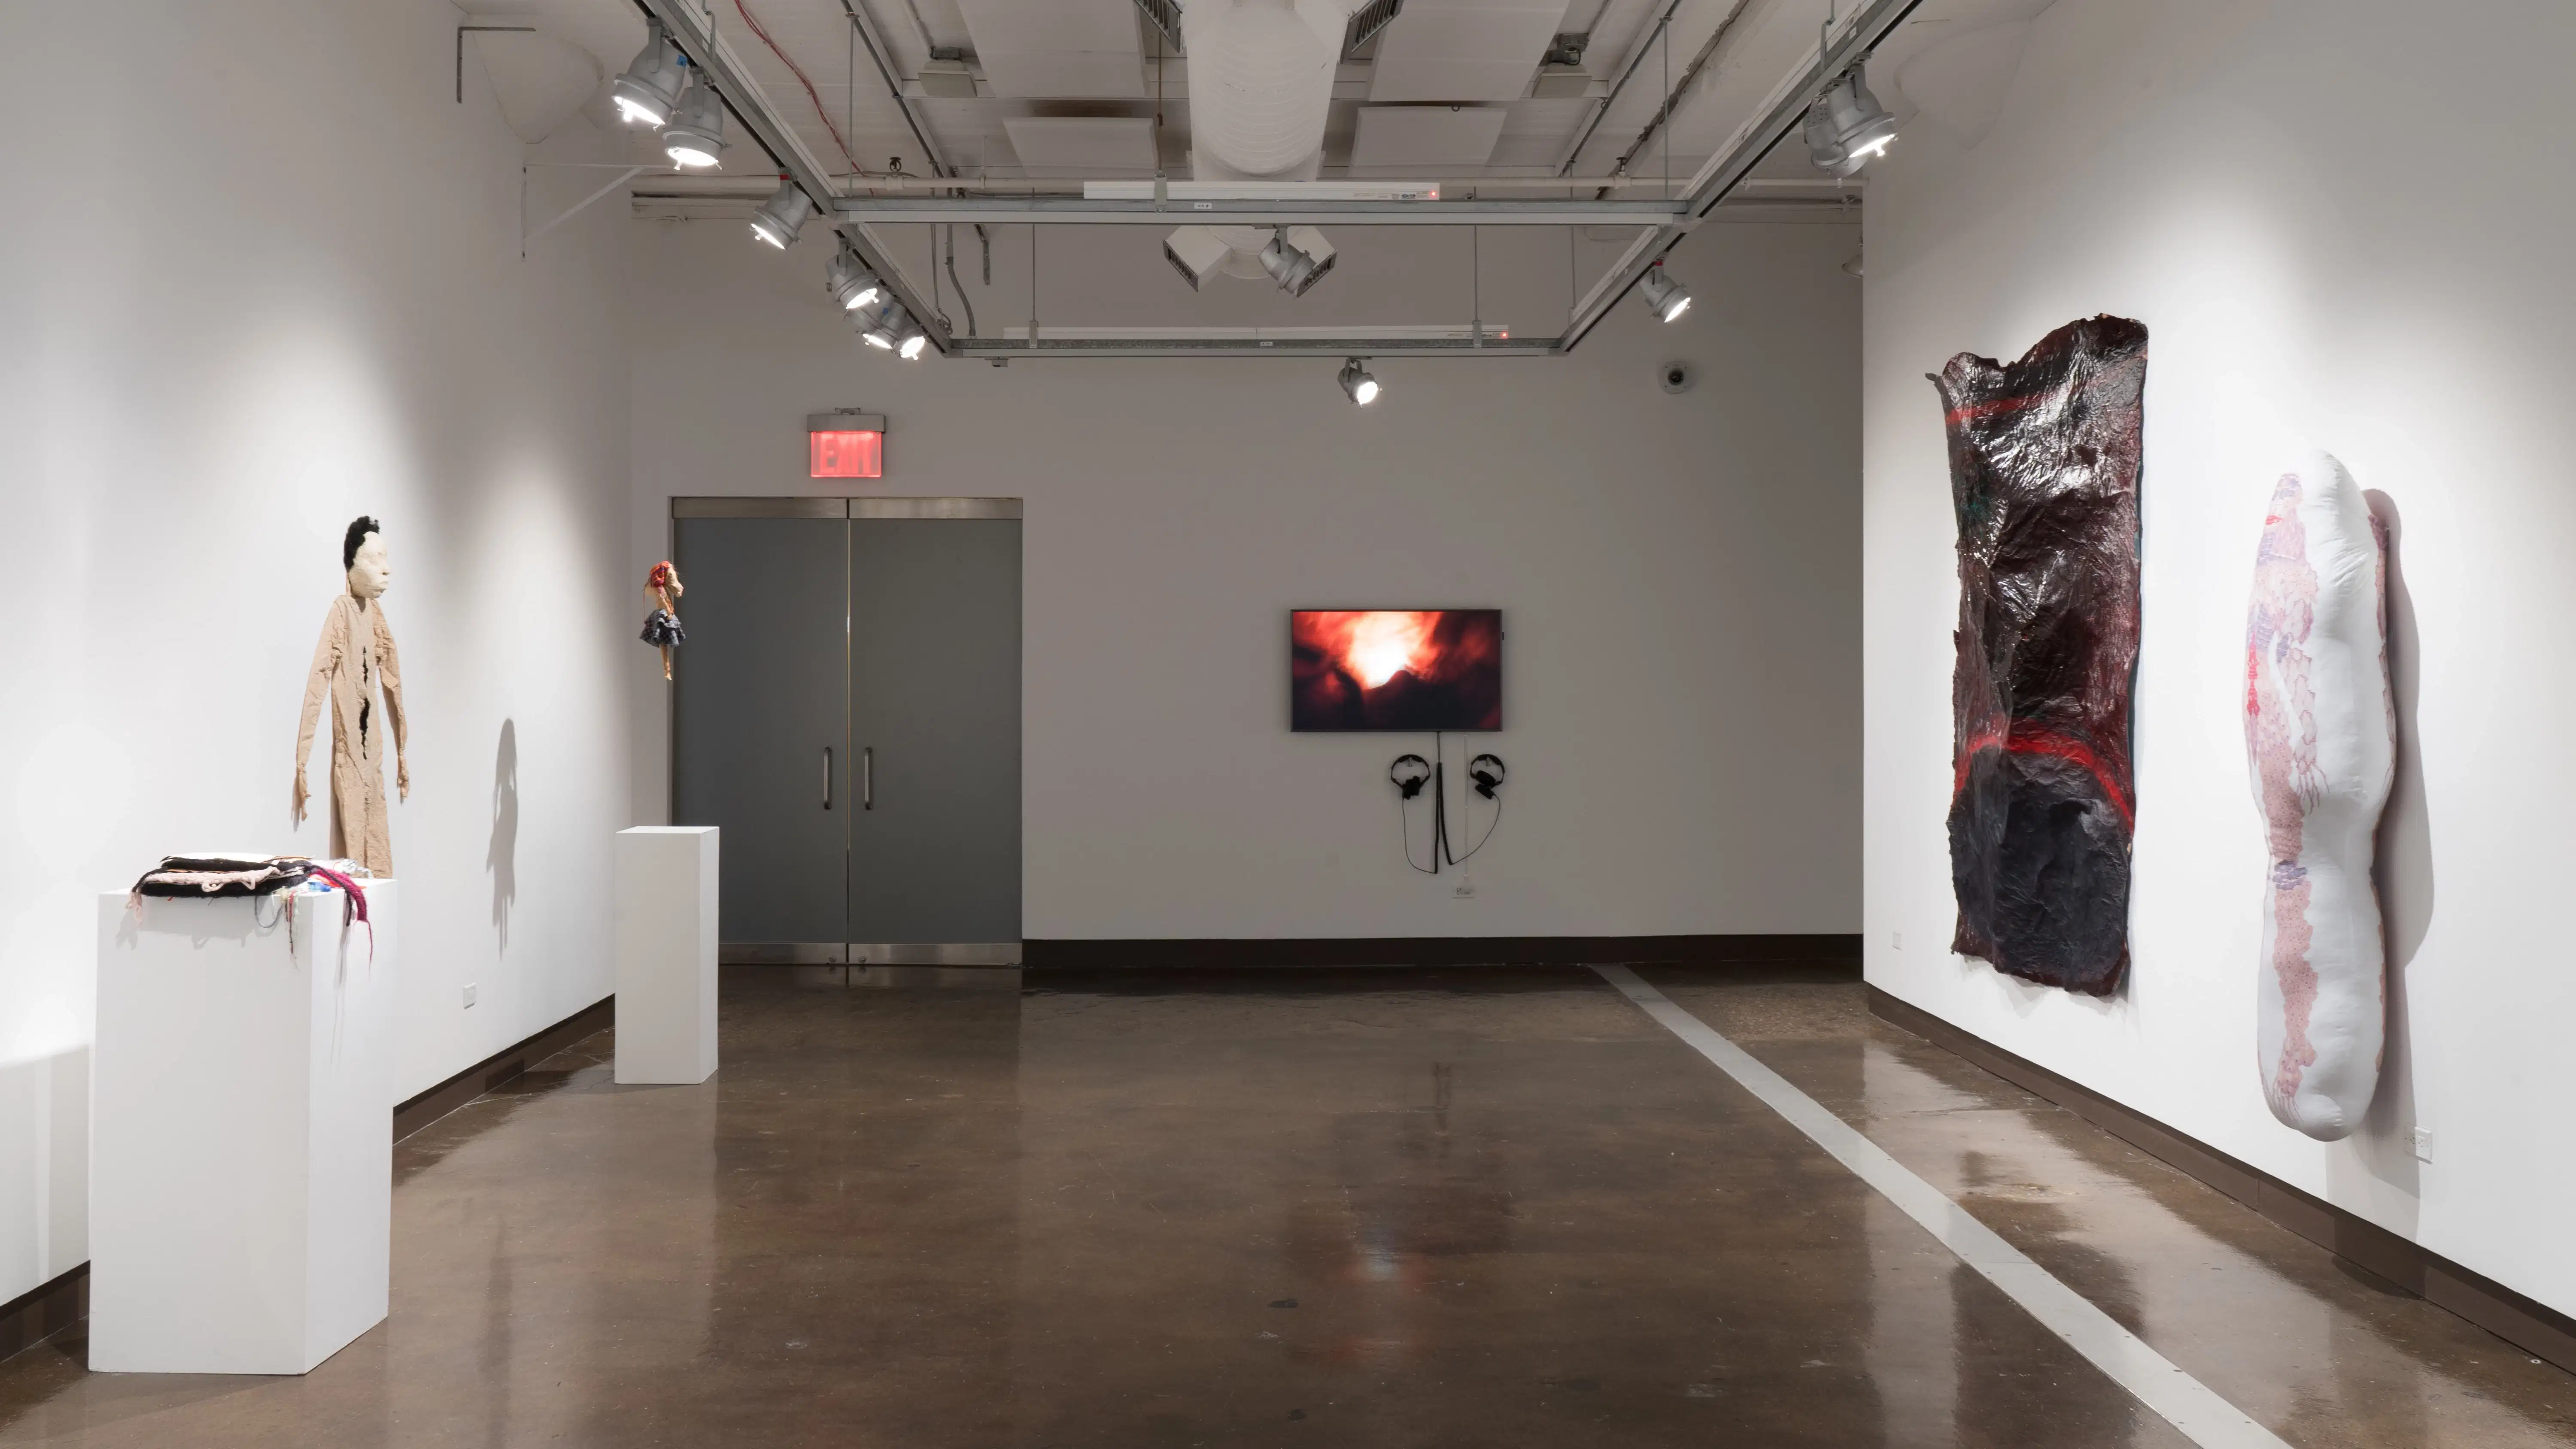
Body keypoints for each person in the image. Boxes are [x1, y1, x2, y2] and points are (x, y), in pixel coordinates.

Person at [293, 516, 409, 874]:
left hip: (372, 752)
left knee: (379, 842)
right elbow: (318, 682)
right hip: (351, 752)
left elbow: (393, 677)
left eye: (385, 559)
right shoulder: (342, 611)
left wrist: (402, 751)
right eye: (374, 560)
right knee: (354, 851)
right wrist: (302, 761)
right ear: (352, 564)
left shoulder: (374, 614)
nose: (386, 571)